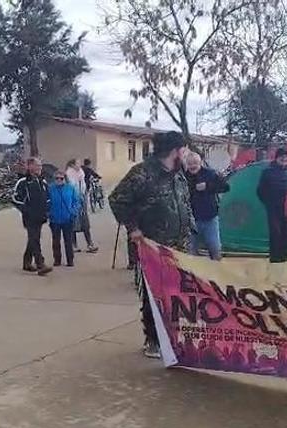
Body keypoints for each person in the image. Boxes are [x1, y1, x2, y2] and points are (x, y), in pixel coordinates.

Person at [109, 131, 193, 359]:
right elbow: (117, 199)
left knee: (176, 294)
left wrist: (191, 226)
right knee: (153, 294)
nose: (186, 154)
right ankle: (153, 340)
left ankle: (174, 337)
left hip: (180, 247)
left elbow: (183, 200)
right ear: (175, 150)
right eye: (184, 149)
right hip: (153, 247)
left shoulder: (177, 173)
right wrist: (133, 228)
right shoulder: (142, 173)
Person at [184, 151, 229, 260]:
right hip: (191, 221)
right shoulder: (183, 177)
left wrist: (208, 186)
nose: (192, 166)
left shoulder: (210, 174)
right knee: (190, 252)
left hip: (210, 219)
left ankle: (216, 274)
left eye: (195, 163)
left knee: (215, 250)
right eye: (190, 164)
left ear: (200, 163)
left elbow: (226, 187)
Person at [12, 157, 53, 276]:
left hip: (41, 216)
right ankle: (40, 264)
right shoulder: (23, 182)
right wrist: (26, 210)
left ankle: (27, 263)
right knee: (35, 239)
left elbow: (48, 198)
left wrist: (47, 209)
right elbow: (15, 198)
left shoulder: (43, 182)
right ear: (30, 167)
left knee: (33, 239)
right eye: (37, 165)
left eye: (40, 165)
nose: (40, 168)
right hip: (30, 217)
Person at [257, 148, 287, 262]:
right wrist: (269, 203)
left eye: (286, 157)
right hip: (273, 209)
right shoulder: (268, 172)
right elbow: (260, 191)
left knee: (286, 235)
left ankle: (285, 259)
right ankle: (275, 260)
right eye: (281, 157)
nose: (284, 159)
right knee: (275, 235)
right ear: (276, 158)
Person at [48, 170, 81, 267]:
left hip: (68, 219)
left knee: (68, 240)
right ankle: (57, 260)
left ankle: (70, 260)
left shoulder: (70, 188)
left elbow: (77, 201)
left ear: (65, 179)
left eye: (61, 178)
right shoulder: (50, 189)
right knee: (55, 241)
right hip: (55, 219)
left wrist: (73, 212)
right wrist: (49, 213)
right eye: (56, 178)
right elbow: (46, 201)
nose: (59, 180)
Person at [65, 159, 98, 253]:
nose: (79, 165)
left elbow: (83, 185)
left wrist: (83, 194)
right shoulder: (69, 173)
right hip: (73, 199)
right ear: (72, 165)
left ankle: (90, 244)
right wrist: (77, 196)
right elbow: (72, 186)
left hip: (82, 198)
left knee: (85, 222)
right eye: (77, 163)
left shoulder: (81, 172)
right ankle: (73, 245)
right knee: (74, 222)